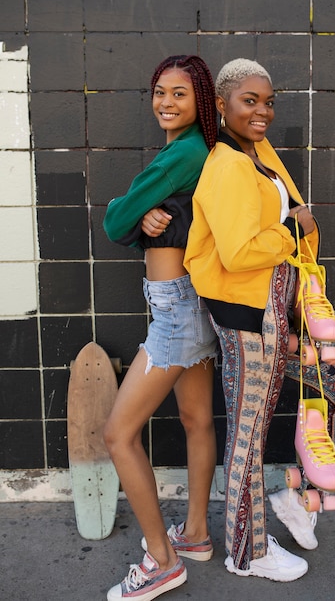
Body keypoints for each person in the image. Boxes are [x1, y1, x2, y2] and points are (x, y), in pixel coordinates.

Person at [184, 58, 335, 581]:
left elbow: (287, 212)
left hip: (280, 316)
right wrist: (293, 228)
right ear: (221, 105)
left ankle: (294, 500)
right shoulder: (225, 165)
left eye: (268, 101)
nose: (262, 111)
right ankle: (248, 552)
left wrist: (295, 228)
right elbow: (240, 252)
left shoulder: (255, 153)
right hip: (247, 321)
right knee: (248, 437)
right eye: (249, 101)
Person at [103, 55, 218, 601]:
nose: (166, 103)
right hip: (194, 305)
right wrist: (149, 215)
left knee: (118, 434)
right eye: (159, 92)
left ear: (201, 101)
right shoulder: (197, 152)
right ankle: (194, 535)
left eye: (179, 94)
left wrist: (131, 213)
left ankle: (161, 560)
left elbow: (113, 222)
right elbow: (152, 217)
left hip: (176, 314)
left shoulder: (184, 153)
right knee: (196, 420)